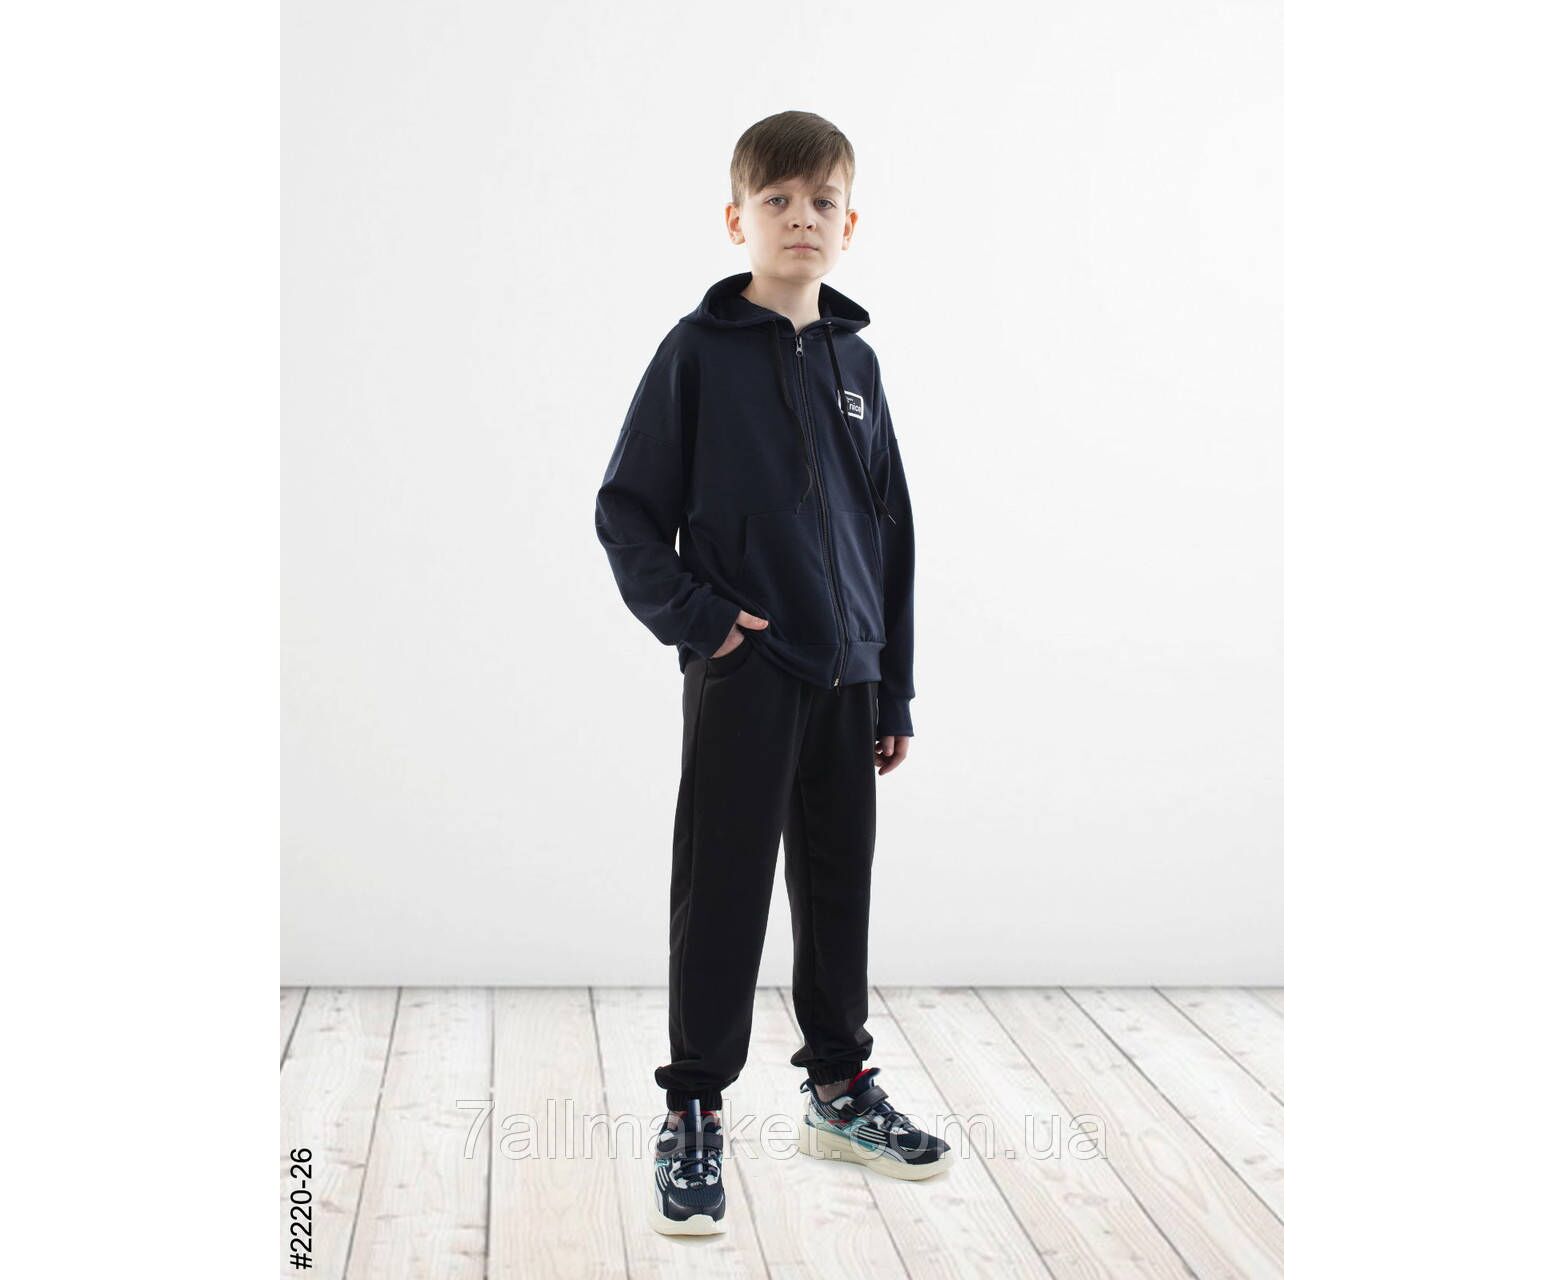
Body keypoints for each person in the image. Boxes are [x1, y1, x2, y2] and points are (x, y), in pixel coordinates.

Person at [594, 109, 951, 1236]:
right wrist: (707, 623)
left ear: (851, 222)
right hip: (746, 671)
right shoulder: (695, 352)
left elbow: (889, 533)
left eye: (821, 200)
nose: (801, 218)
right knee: (724, 889)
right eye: (778, 199)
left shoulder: (857, 363)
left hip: (849, 678)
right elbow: (626, 512)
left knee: (837, 889)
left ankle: (839, 1091)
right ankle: (693, 1107)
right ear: (735, 217)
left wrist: (891, 681)